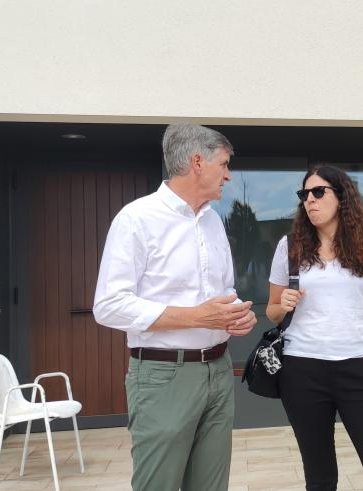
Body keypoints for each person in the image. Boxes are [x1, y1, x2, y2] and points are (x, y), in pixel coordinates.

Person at [93, 123, 257, 491]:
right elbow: (108, 305)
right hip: (163, 376)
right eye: (224, 164)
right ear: (197, 162)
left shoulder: (213, 221)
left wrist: (235, 316)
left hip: (218, 370)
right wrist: (198, 316)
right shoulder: (136, 219)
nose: (228, 175)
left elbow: (224, 289)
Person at [266, 165, 363, 491]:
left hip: (358, 367)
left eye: (318, 192)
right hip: (302, 371)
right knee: (320, 478)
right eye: (304, 195)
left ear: (341, 196)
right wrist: (283, 303)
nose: (310, 201)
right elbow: (272, 312)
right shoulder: (289, 247)